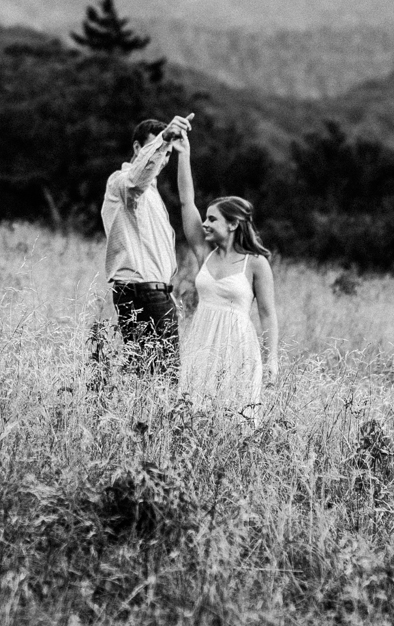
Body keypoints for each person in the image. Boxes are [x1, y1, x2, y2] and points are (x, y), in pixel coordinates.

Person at [174, 142, 280, 425]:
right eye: (205, 218)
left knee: (234, 414)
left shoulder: (256, 263)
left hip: (238, 344)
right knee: (195, 411)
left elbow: (268, 314)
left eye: (212, 219)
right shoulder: (204, 253)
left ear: (232, 224)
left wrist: (272, 360)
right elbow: (186, 200)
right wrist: (184, 153)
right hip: (202, 338)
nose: (205, 224)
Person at [97, 113, 194, 374]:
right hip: (142, 291)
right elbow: (138, 177)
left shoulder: (151, 193)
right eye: (157, 149)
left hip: (155, 293)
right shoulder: (122, 182)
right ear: (138, 148)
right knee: (163, 378)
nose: (162, 158)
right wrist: (164, 140)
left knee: (149, 378)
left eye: (166, 153)